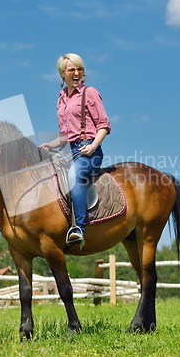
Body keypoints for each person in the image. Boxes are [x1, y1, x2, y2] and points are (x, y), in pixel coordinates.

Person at [40, 53, 111, 247]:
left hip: (89, 151)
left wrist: (93, 145)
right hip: (68, 151)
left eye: (79, 69)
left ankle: (78, 228)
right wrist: (49, 145)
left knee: (73, 177)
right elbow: (64, 134)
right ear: (62, 74)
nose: (77, 73)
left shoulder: (90, 93)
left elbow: (104, 125)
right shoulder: (61, 98)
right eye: (71, 69)